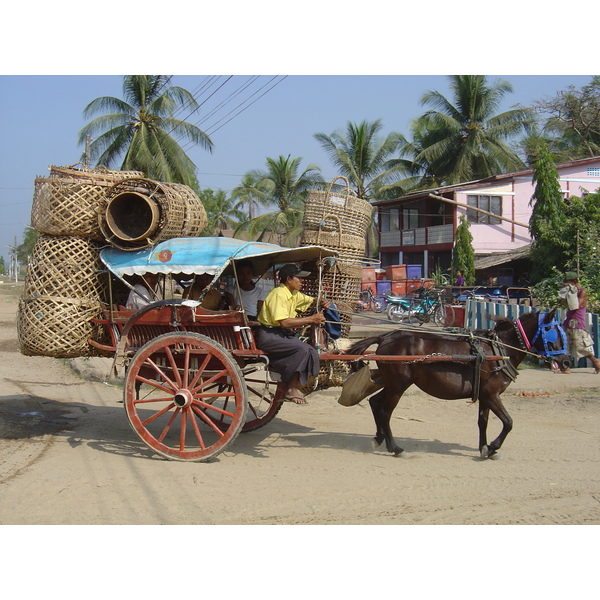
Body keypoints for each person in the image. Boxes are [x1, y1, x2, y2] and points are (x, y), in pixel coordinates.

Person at [254, 263, 331, 405]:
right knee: (301, 349)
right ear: (288, 279)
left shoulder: (294, 294)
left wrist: (322, 302)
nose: (302, 282)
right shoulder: (278, 294)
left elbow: (312, 300)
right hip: (269, 335)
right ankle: (290, 388)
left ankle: (288, 383)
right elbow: (284, 323)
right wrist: (311, 319)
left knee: (309, 349)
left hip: (280, 335)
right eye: (299, 278)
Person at [559, 271, 600, 374]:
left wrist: (571, 293)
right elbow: (566, 304)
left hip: (577, 323)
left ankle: (596, 362)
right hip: (569, 321)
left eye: (568, 283)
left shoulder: (582, 292)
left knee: (581, 347)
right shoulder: (571, 292)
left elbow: (575, 305)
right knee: (565, 346)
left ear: (574, 282)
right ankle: (566, 368)